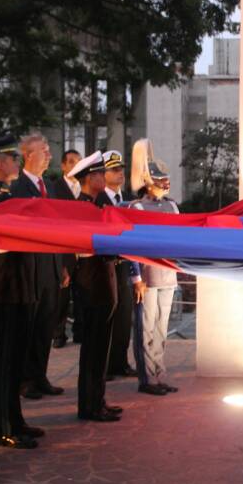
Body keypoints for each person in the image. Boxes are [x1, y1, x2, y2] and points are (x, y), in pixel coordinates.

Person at [0, 135, 43, 449]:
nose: (18, 162)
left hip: (18, 281)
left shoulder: (6, 195)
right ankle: (4, 427)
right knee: (6, 358)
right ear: (0, 163)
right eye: (13, 158)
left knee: (16, 357)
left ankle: (15, 419)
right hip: (7, 283)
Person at [69, 151, 124, 421]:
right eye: (100, 173)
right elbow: (90, 245)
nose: (104, 177)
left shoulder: (94, 205)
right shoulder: (82, 208)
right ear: (89, 179)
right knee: (93, 347)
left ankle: (97, 400)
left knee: (101, 346)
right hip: (92, 281)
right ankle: (90, 405)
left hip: (102, 279)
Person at [12, 133, 66, 400]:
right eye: (43, 151)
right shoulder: (18, 187)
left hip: (51, 265)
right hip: (30, 266)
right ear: (28, 155)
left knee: (46, 323)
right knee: (29, 325)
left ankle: (40, 375)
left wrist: (62, 265)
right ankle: (25, 379)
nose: (48, 155)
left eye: (48, 150)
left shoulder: (50, 187)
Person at [129, 139, 180, 395]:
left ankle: (159, 374)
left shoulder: (172, 206)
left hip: (168, 274)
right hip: (147, 276)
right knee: (146, 328)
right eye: (160, 179)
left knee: (161, 328)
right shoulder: (137, 207)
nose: (165, 183)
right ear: (148, 181)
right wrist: (136, 278)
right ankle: (147, 378)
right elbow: (132, 246)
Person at [101, 149, 139, 380]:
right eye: (114, 170)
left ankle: (120, 362)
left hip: (124, 265)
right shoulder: (100, 200)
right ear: (103, 174)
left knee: (124, 317)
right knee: (107, 317)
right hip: (106, 267)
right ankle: (105, 365)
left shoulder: (128, 201)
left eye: (121, 169)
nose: (120, 173)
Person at [48, 148, 82, 350]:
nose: (75, 165)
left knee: (82, 293)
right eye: (71, 162)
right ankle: (58, 333)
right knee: (61, 295)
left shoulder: (85, 187)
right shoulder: (54, 189)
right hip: (63, 248)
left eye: (78, 161)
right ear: (63, 166)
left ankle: (80, 331)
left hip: (83, 247)